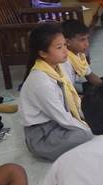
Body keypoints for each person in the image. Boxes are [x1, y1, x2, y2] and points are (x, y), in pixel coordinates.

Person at [20, 23, 93, 161]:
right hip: (43, 136)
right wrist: (88, 127)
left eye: (65, 45)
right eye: (59, 47)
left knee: (94, 115)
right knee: (87, 135)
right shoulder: (41, 82)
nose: (65, 50)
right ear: (43, 53)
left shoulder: (57, 67)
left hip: (57, 122)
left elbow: (72, 101)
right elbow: (62, 117)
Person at [60, 20, 103, 92]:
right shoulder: (64, 61)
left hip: (75, 85)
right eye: (82, 40)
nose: (87, 44)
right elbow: (67, 92)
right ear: (67, 42)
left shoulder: (79, 54)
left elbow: (89, 75)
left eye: (87, 38)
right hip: (68, 92)